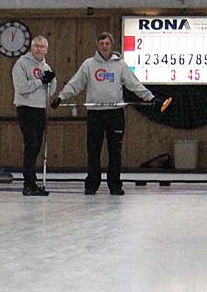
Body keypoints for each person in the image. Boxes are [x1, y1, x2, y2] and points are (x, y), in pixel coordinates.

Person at [51, 32, 154, 195]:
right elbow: (75, 83)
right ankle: (91, 185)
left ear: (111, 45)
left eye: (107, 43)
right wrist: (61, 97)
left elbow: (133, 83)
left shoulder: (120, 65)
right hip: (95, 114)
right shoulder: (88, 64)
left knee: (115, 151)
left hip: (115, 114)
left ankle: (115, 185)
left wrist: (148, 96)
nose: (104, 46)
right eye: (101, 43)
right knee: (93, 151)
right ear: (97, 45)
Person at [12, 35, 56, 196]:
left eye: (42, 47)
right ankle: (28, 183)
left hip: (40, 109)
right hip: (26, 108)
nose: (39, 49)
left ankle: (32, 181)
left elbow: (51, 87)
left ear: (46, 49)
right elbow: (22, 87)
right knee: (30, 144)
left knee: (37, 146)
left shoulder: (46, 66)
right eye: (36, 46)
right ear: (32, 47)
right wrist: (40, 82)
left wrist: (50, 81)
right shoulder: (21, 64)